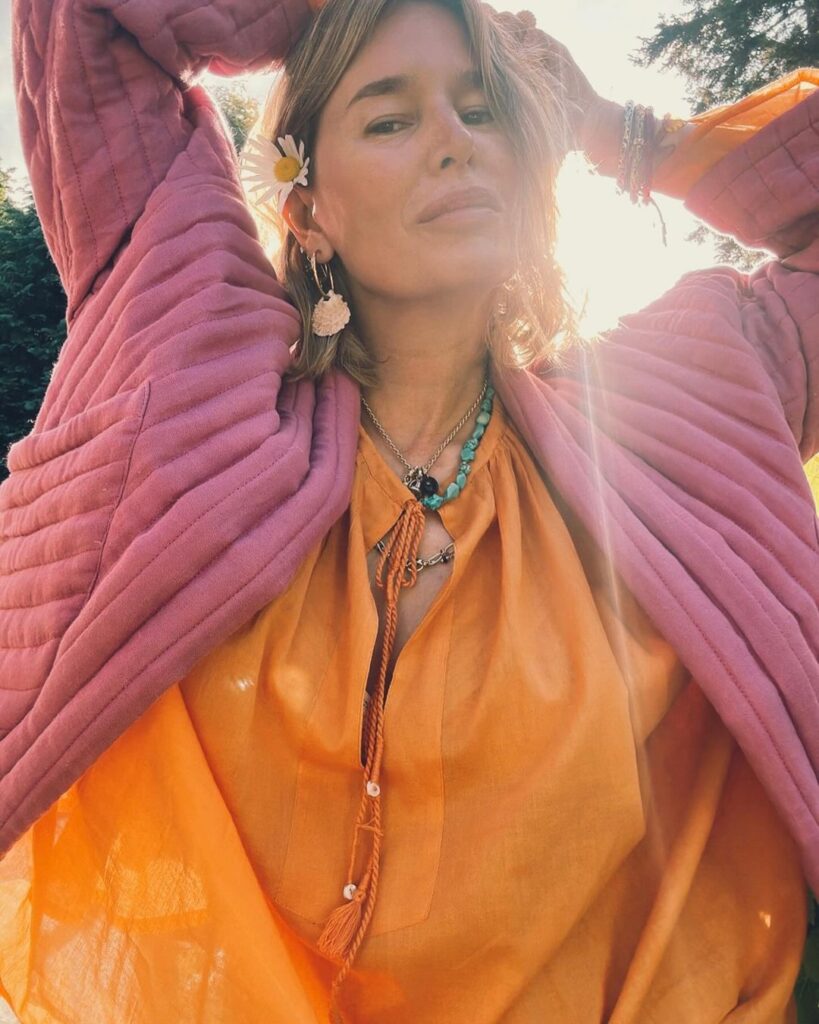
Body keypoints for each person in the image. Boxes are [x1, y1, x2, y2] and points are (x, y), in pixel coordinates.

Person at [0, 0, 817, 1020]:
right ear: (307, 209)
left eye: (485, 112)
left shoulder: (678, 402)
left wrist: (616, 130)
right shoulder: (201, 402)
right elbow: (80, 21)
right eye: (390, 118)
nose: (453, 143)